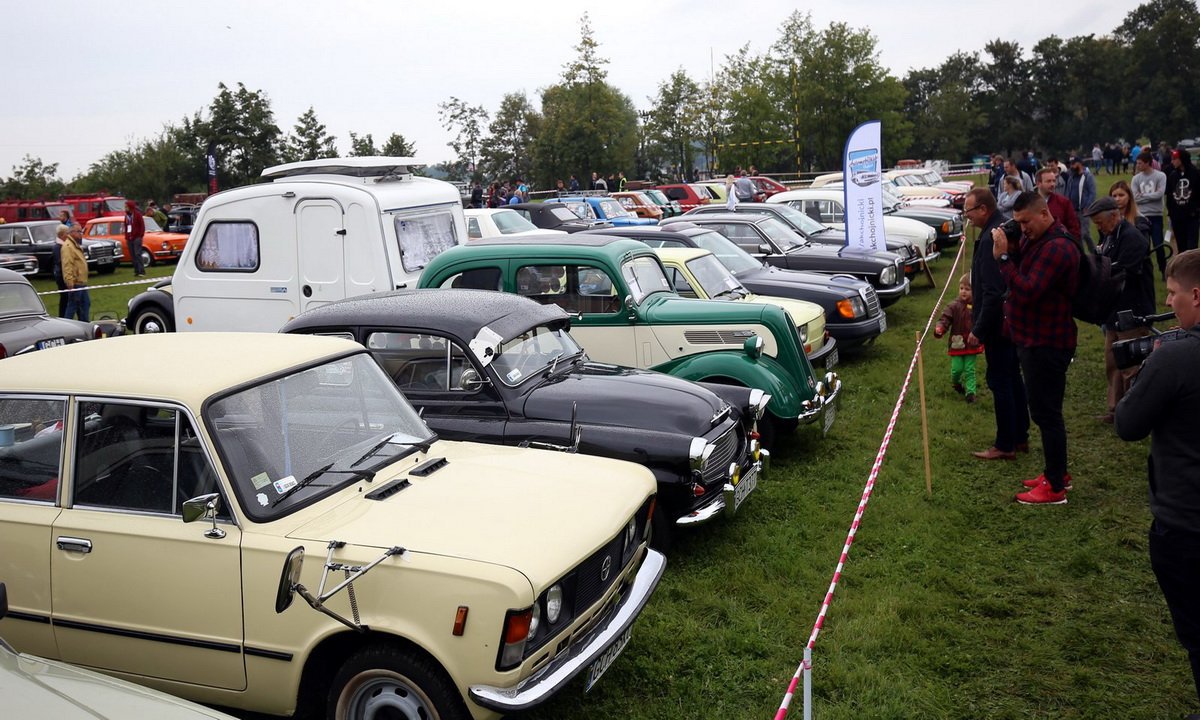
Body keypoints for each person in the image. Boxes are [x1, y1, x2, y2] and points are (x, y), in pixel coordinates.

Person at [1115, 248, 1200, 711]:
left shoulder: (1174, 357)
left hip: (1185, 523)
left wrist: (1147, 371)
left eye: (1172, 293)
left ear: (1196, 295)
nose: (1169, 302)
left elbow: (1128, 424)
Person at [992, 191, 1079, 504]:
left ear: (1044, 214)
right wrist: (1013, 248)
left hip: (1047, 342)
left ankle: (1054, 488)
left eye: (1026, 222)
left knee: (1047, 414)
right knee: (1045, 412)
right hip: (1035, 338)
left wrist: (1003, 258)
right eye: (1017, 223)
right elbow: (1026, 272)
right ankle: (1057, 474)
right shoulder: (1039, 240)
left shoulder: (1057, 247)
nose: (1022, 228)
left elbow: (1028, 290)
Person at [965, 188, 1030, 461]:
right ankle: (1020, 436)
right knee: (1013, 377)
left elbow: (993, 291)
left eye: (968, 211)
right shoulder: (999, 230)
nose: (966, 216)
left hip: (998, 325)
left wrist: (978, 329)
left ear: (983, 209)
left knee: (1000, 380)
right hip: (1008, 321)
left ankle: (1005, 444)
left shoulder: (993, 238)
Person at [1085, 195, 1154, 423]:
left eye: (1100, 222)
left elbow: (1122, 271)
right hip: (1113, 311)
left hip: (1132, 312)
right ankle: (1116, 410)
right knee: (1113, 362)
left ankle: (1135, 412)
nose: (1098, 227)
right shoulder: (1109, 236)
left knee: (1132, 365)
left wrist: (1096, 275)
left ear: (1114, 216)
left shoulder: (1132, 238)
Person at [933, 273, 984, 403]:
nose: (963, 291)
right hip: (957, 344)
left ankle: (970, 393)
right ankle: (956, 382)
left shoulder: (978, 306)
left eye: (967, 289)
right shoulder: (953, 306)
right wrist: (940, 328)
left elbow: (982, 321)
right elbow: (945, 318)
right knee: (957, 369)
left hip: (972, 343)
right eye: (961, 288)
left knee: (969, 369)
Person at [1133, 153, 1169, 277]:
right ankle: (1145, 272)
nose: (1137, 165)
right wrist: (1150, 196)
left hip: (1156, 215)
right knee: (1144, 246)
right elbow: (1135, 198)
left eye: (1140, 163)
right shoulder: (1136, 178)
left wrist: (1142, 196)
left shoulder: (1160, 176)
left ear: (1148, 163)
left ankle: (1164, 270)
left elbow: (1160, 194)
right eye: (1137, 163)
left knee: (1158, 245)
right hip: (1141, 216)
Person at [1167, 149, 1200, 253]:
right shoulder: (1173, 176)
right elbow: (1170, 196)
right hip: (1177, 217)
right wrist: (1171, 213)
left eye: (1174, 159)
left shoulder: (1195, 174)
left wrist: (1196, 210)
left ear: (1182, 159)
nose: (1172, 161)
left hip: (1192, 217)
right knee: (1181, 247)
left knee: (1192, 247)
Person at [1035, 167, 1080, 239]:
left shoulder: (1064, 202)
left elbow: (1074, 228)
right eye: (1048, 181)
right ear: (1038, 183)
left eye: (1054, 181)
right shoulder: (1029, 203)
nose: (1052, 184)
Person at [61, 224, 90, 321]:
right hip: (75, 283)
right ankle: (66, 325)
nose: (81, 234)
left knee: (85, 305)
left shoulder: (75, 245)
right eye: (79, 232)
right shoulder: (68, 247)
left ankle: (85, 324)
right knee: (72, 307)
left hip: (82, 282)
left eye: (81, 232)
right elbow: (67, 265)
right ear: (72, 233)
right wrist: (69, 281)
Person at [1066, 156, 1097, 241]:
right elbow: (1068, 192)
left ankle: (1085, 248)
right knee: (1080, 234)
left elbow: (1092, 193)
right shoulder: (1071, 177)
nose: (1071, 166)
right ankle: (1088, 249)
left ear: (1079, 164)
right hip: (1073, 209)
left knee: (1084, 233)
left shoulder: (1088, 176)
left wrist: (1087, 206)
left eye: (1073, 164)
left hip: (1083, 210)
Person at [125, 199, 146, 277]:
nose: (125, 208)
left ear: (130, 207)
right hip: (129, 238)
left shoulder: (137, 215)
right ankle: (136, 271)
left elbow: (142, 226)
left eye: (126, 207)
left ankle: (142, 271)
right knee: (132, 255)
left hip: (137, 237)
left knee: (137, 254)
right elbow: (126, 226)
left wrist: (140, 235)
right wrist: (126, 236)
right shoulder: (126, 216)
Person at [52, 224, 69, 317]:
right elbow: (60, 262)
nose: (68, 235)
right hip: (61, 276)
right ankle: (62, 316)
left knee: (67, 298)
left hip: (64, 275)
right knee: (64, 298)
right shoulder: (57, 247)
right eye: (67, 233)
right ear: (62, 234)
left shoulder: (63, 245)